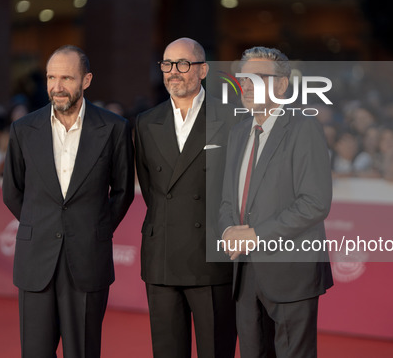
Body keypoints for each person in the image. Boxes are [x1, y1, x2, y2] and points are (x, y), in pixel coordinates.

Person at [2, 45, 134, 358]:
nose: (57, 86)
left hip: (87, 259)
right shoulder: (23, 129)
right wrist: (41, 225)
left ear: (86, 80)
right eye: (51, 77)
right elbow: (12, 191)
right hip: (36, 263)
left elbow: (123, 191)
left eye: (66, 78)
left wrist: (93, 227)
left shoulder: (114, 128)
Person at [219, 47, 333, 358]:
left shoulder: (304, 128)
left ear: (281, 86)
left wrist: (255, 235)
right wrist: (229, 229)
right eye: (243, 79)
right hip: (245, 272)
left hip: (291, 272)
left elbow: (315, 202)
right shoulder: (239, 132)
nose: (247, 85)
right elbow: (228, 198)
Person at [135, 37, 238, 358]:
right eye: (167, 64)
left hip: (212, 258)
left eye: (183, 64)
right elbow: (151, 188)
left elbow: (236, 188)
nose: (173, 72)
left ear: (203, 70)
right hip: (162, 257)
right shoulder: (145, 122)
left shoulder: (232, 119)